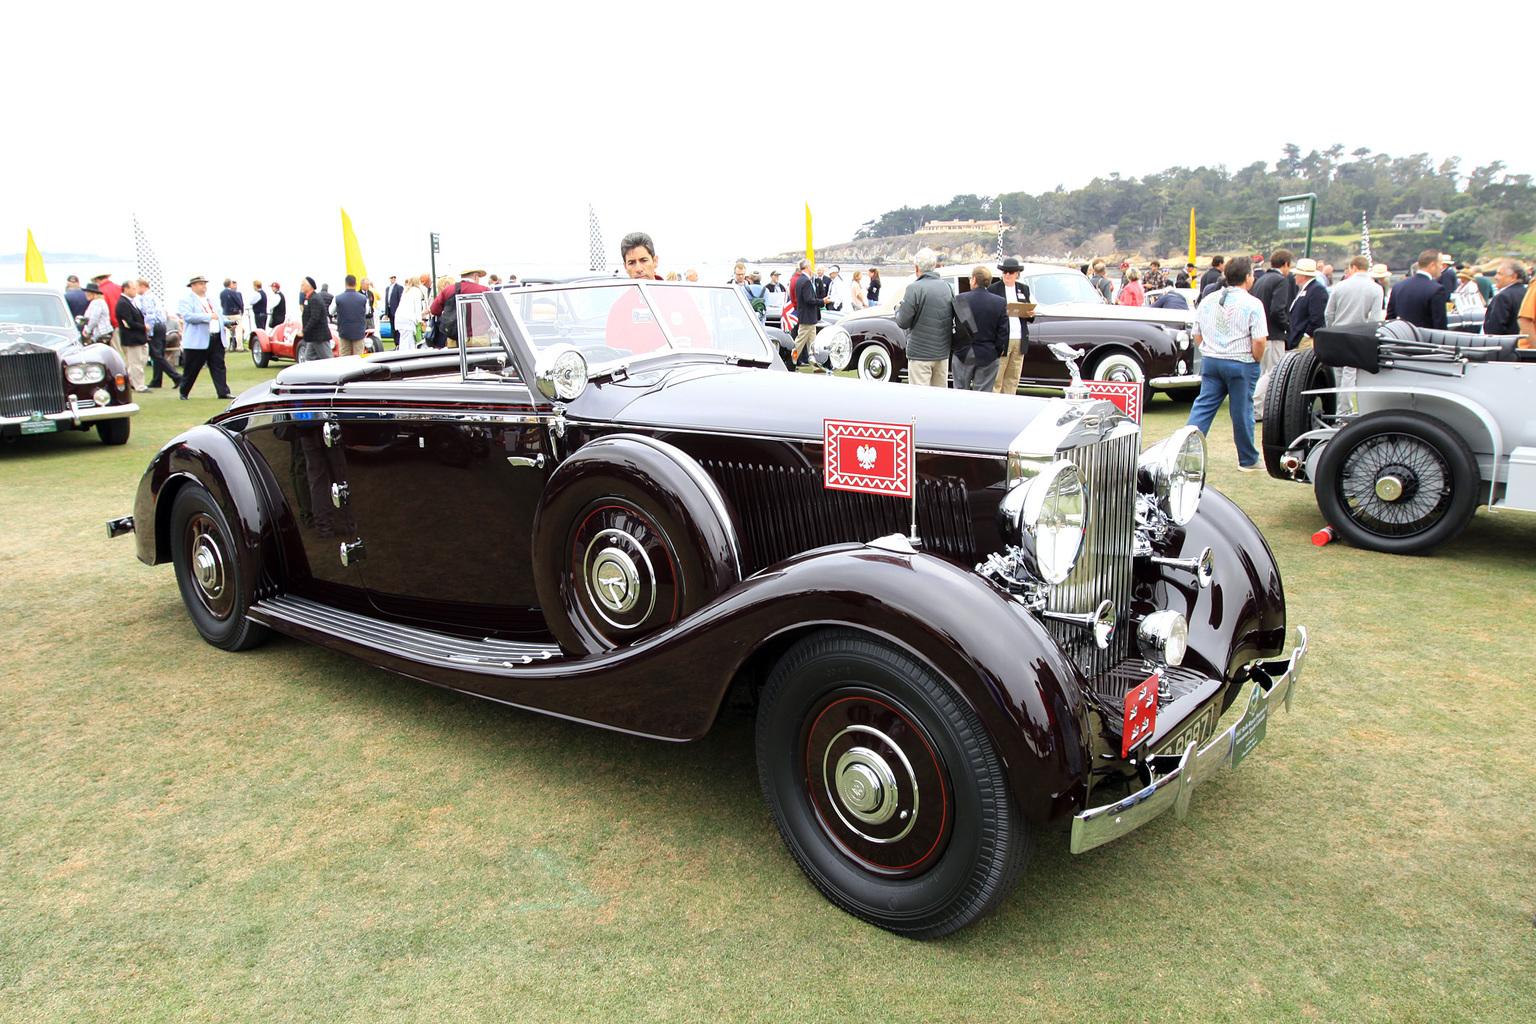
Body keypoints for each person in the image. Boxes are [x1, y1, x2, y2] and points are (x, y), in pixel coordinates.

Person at [1187, 256, 1267, 472]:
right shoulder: (1253, 303)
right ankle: (1248, 460)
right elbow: (1259, 340)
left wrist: (1209, 349)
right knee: (1241, 412)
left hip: (1212, 361)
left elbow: (1196, 333)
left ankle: (1185, 452)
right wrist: (1256, 358)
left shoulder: (1208, 299)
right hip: (1242, 362)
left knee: (1203, 407)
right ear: (1249, 277)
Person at [1324, 256, 1383, 412]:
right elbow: (1374, 319)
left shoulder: (1340, 286)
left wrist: (1332, 328)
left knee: (1337, 373)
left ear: (1354, 267)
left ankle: (1337, 408)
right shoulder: (1376, 288)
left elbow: (1329, 313)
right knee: (1350, 373)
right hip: (1358, 334)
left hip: (1337, 332)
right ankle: (1344, 409)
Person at [896, 248, 954, 387]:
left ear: (916, 267)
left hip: (920, 353)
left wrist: (897, 309)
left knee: (919, 399)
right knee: (939, 398)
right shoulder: (946, 287)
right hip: (941, 352)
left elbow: (903, 321)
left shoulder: (914, 288)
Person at [1249, 249, 1295, 419]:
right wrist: (1287, 326)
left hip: (1259, 332)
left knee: (1263, 372)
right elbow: (1278, 309)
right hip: (1274, 333)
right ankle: (1256, 407)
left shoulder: (1261, 280)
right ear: (1286, 264)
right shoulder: (1281, 281)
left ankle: (1257, 407)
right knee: (1274, 372)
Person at [177, 274, 233, 400]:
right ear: (193, 286)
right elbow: (187, 316)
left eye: (204, 283)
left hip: (216, 338)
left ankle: (223, 392)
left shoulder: (210, 300)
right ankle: (184, 392)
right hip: (197, 341)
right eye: (201, 283)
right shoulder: (186, 301)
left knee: (219, 366)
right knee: (192, 368)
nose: (204, 286)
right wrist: (207, 316)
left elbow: (218, 315)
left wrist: (227, 322)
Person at [952, 266, 1006, 391]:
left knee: (959, 392)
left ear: (974, 280)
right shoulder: (1000, 302)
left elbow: (954, 325)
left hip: (963, 351)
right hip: (988, 352)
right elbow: (1003, 332)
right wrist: (996, 351)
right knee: (983, 396)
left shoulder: (960, 299)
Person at [989, 256, 1033, 396]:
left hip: (1019, 338)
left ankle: (1010, 402)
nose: (1007, 275)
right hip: (1002, 339)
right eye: (1005, 272)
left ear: (1017, 273)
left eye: (1011, 272)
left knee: (1013, 377)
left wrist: (1030, 313)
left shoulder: (1023, 289)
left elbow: (1030, 316)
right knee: (998, 377)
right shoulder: (994, 289)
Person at [1387, 250, 1450, 330]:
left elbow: (1390, 319)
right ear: (1433, 265)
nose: (1441, 268)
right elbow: (1440, 325)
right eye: (1441, 264)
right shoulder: (1437, 289)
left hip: (1400, 338)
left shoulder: (1398, 285)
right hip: (1423, 340)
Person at [137, 278, 182, 390]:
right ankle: (157, 380)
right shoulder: (153, 296)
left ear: (142, 286)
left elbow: (150, 315)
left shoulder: (145, 298)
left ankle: (176, 376)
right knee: (158, 354)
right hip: (161, 326)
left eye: (137, 286)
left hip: (155, 327)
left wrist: (149, 331)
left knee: (156, 354)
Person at [428, 268, 490, 347]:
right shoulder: (484, 290)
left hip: (455, 339)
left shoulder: (448, 290)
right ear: (476, 277)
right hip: (479, 337)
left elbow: (434, 310)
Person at [790, 257, 827, 365]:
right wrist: (822, 301)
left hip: (808, 316)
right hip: (807, 316)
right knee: (800, 341)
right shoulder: (805, 281)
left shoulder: (800, 279)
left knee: (812, 342)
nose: (812, 268)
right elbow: (808, 299)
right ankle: (790, 360)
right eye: (811, 266)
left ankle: (815, 364)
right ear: (807, 267)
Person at [115, 279, 150, 392]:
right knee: (136, 363)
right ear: (126, 289)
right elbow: (128, 323)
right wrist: (143, 327)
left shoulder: (131, 302)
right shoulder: (122, 303)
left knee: (142, 360)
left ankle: (129, 379)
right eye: (133, 288)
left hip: (139, 337)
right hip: (132, 338)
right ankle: (140, 386)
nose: (135, 291)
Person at [1287, 258, 1328, 350]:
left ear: (1303, 276)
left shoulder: (1316, 290)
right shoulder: (1305, 289)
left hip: (1305, 340)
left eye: (1296, 274)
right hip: (1298, 337)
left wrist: (1307, 335)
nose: (1295, 276)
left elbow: (1317, 316)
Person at [1483, 260, 1528, 337]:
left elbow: (1494, 329)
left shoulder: (1503, 297)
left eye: (1500, 274)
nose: (1495, 277)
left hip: (1506, 346)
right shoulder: (1527, 292)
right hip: (1524, 344)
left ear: (1513, 277)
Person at [330, 275, 369, 357]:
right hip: (358, 331)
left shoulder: (338, 298)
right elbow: (367, 311)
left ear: (345, 283)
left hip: (344, 331)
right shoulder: (363, 298)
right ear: (356, 284)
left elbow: (331, 311)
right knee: (359, 356)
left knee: (344, 356)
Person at [295, 277, 332, 361]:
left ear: (309, 287)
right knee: (309, 358)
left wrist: (304, 331)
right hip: (313, 337)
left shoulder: (314, 299)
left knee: (328, 359)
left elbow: (315, 318)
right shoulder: (310, 298)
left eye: (302, 285)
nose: (301, 287)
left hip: (319, 337)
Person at [394, 273, 426, 349]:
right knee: (406, 339)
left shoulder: (405, 291)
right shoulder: (416, 291)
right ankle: (404, 355)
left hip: (399, 317)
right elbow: (417, 307)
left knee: (405, 338)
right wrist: (419, 320)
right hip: (408, 318)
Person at [81, 281, 113, 346]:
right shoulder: (100, 301)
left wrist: (87, 330)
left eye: (88, 292)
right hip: (105, 332)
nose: (86, 294)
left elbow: (93, 320)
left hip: (101, 333)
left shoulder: (96, 302)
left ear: (93, 293)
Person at [219, 278, 244, 351]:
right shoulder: (234, 293)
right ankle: (239, 347)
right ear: (230, 284)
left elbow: (222, 303)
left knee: (227, 331)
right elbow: (239, 302)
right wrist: (241, 310)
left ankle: (227, 346)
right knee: (238, 329)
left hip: (226, 313)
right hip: (235, 313)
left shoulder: (222, 293)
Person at [384, 275, 403, 346]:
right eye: (392, 277)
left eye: (394, 277)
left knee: (397, 328)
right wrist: (386, 313)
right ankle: (396, 343)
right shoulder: (387, 288)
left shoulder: (399, 287)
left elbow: (400, 300)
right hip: (390, 311)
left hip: (397, 311)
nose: (393, 279)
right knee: (393, 329)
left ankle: (399, 343)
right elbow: (386, 301)